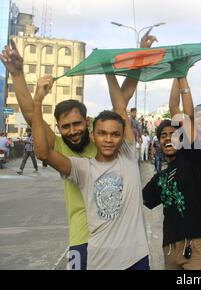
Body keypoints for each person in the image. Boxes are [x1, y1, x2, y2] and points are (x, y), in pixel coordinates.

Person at [0, 34, 157, 270]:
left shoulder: (106, 141)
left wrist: (140, 54)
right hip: (82, 239)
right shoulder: (62, 149)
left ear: (89, 124)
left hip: (123, 244)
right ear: (59, 129)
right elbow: (33, 118)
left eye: (77, 125)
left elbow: (121, 105)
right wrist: (17, 73)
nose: (72, 131)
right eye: (65, 127)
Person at [33, 74, 150, 270]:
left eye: (115, 134)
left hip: (136, 259)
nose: (109, 139)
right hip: (99, 262)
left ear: (124, 138)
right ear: (93, 135)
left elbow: (120, 107)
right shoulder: (82, 168)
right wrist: (38, 101)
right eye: (102, 133)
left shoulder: (128, 155)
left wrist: (108, 70)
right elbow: (43, 153)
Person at [143, 75, 201, 270]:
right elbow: (141, 199)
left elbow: (181, 111)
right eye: (163, 136)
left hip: (197, 247)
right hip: (170, 250)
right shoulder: (159, 178)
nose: (167, 138)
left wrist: (179, 75)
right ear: (158, 143)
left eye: (172, 134)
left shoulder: (190, 159)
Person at [169, 78, 201, 270]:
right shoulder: (187, 138)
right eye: (198, 115)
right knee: (192, 256)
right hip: (190, 210)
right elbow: (174, 105)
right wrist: (178, 75)